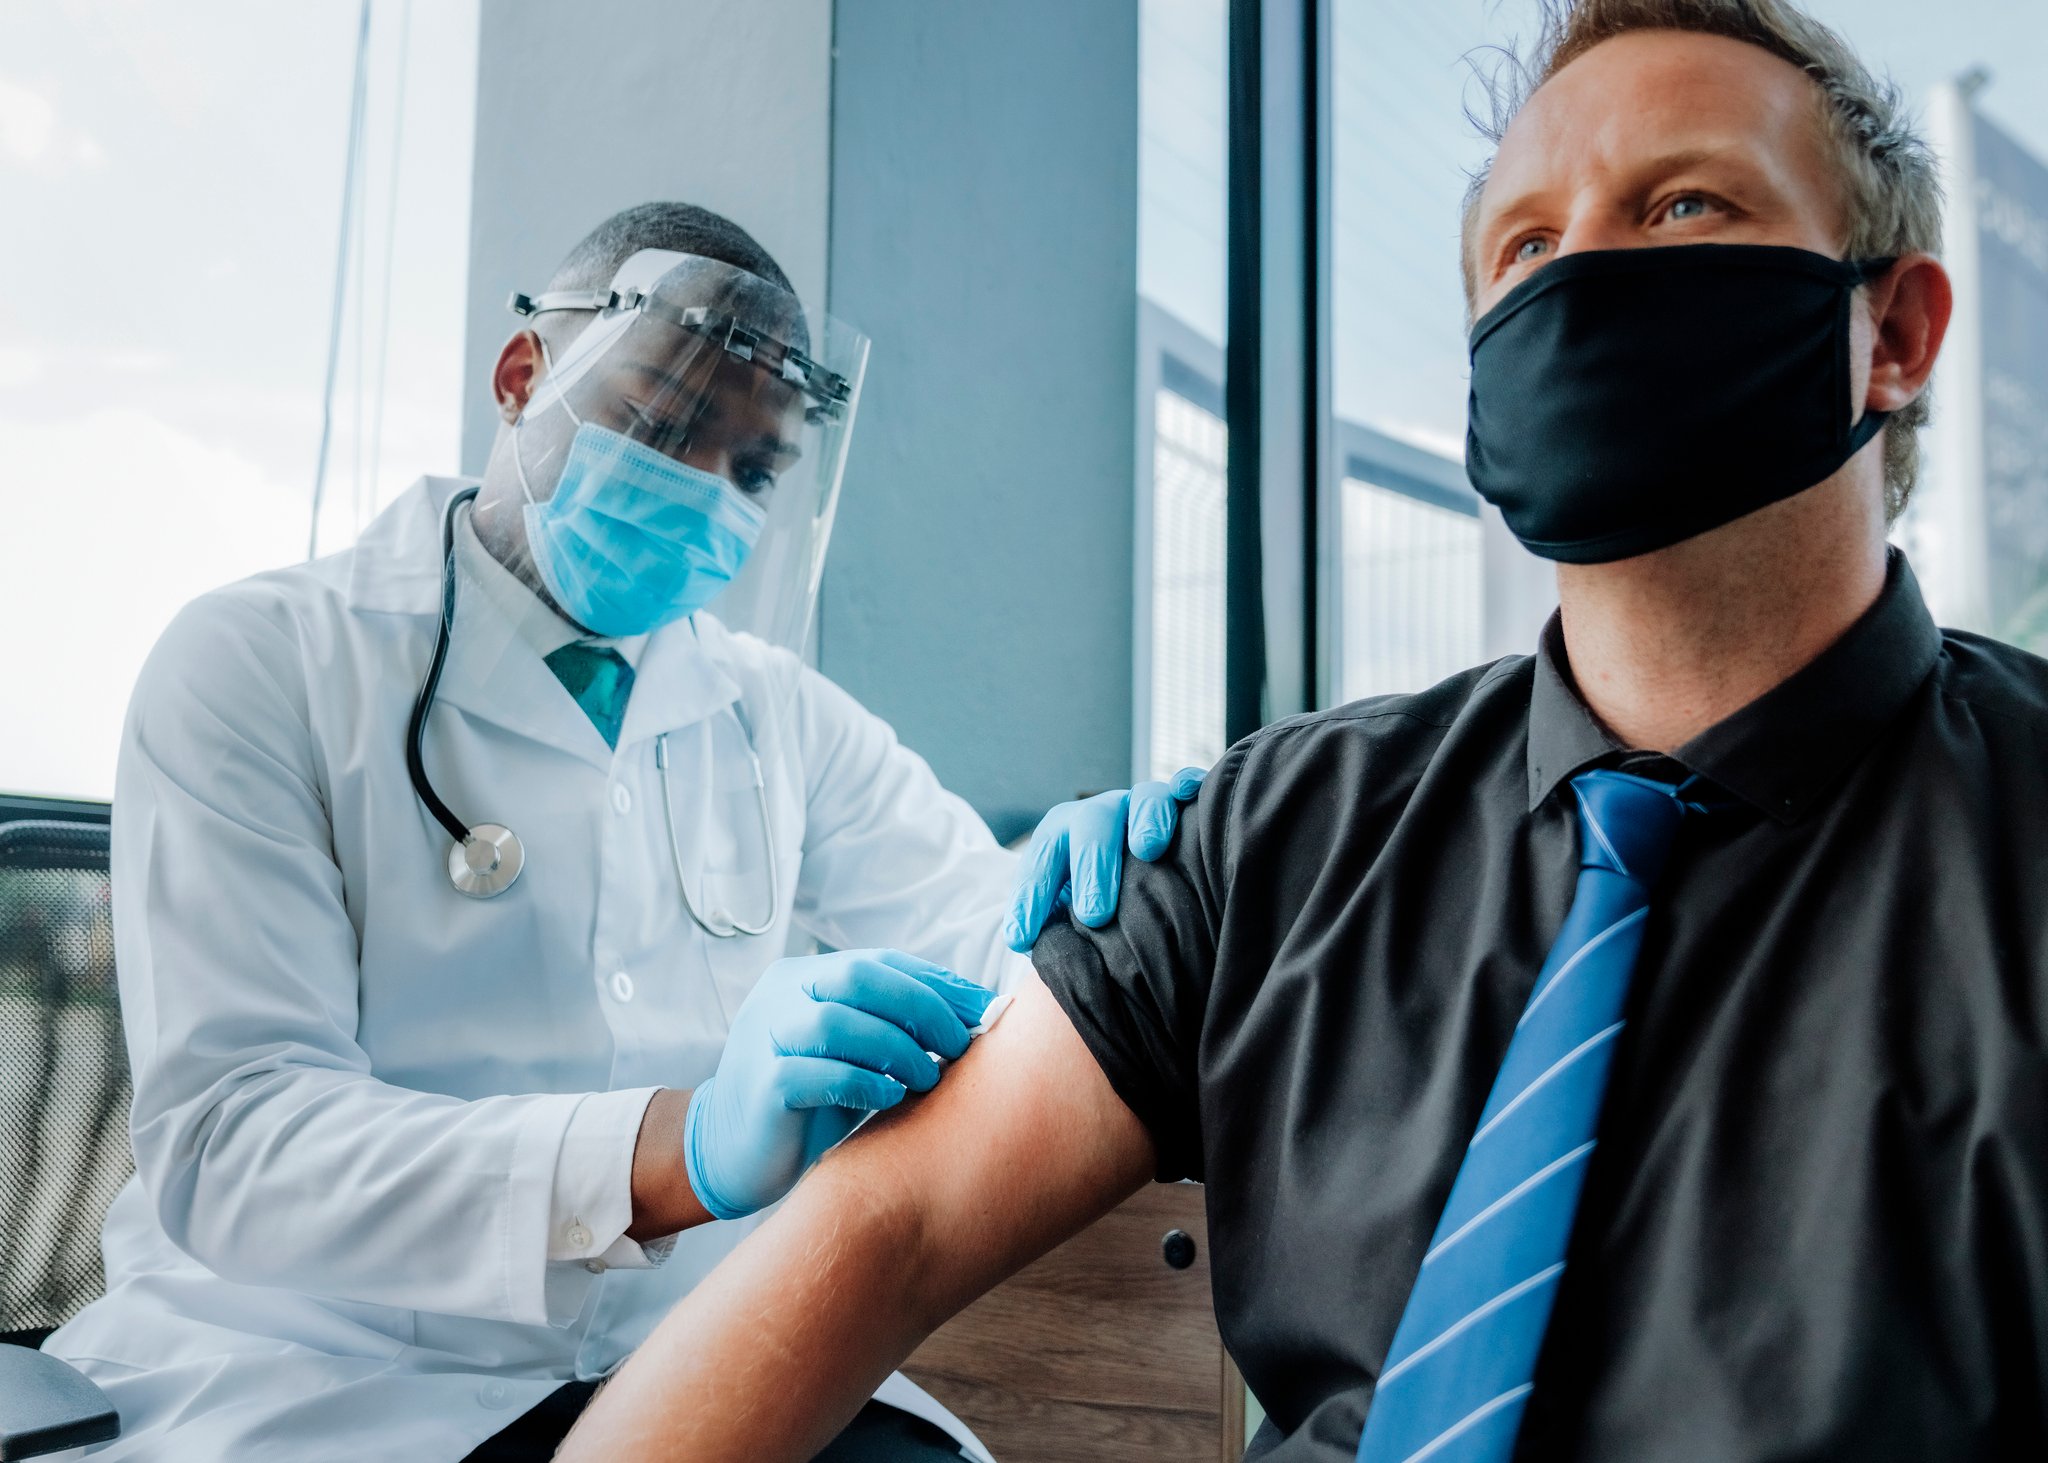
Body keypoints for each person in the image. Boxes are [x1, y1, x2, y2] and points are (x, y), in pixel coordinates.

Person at [556, 5, 2048, 1461]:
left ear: (1895, 332)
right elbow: (896, 1220)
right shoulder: (1280, 838)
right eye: (1525, 245)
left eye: (1681, 203)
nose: (1583, 265)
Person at [41, 202, 1193, 1462]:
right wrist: (675, 1148)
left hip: (682, 1345)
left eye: (754, 469)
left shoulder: (775, 716)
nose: (705, 487)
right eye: (662, 423)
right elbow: (238, 1138)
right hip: (320, 1374)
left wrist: (1117, 884)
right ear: (522, 376)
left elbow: (983, 931)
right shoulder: (260, 663)